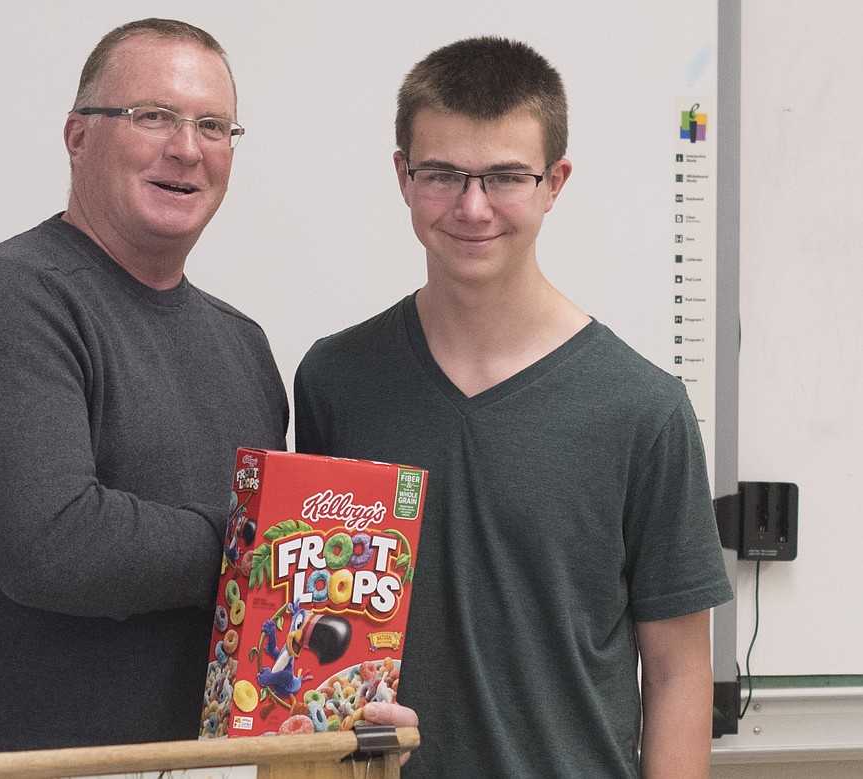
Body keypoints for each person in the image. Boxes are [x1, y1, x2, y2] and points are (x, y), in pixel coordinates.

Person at [294, 36, 733, 778]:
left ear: (554, 181)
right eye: (442, 174)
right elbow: (316, 627)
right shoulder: (335, 380)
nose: (472, 207)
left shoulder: (644, 409)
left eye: (505, 176)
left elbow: (677, 674)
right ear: (403, 176)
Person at [0, 19, 289, 753]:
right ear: (77, 136)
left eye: (213, 125)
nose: (187, 148)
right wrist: (256, 539)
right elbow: (54, 544)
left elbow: (249, 611)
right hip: (6, 768)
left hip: (197, 766)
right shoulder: (7, 299)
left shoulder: (243, 345)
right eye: (152, 116)